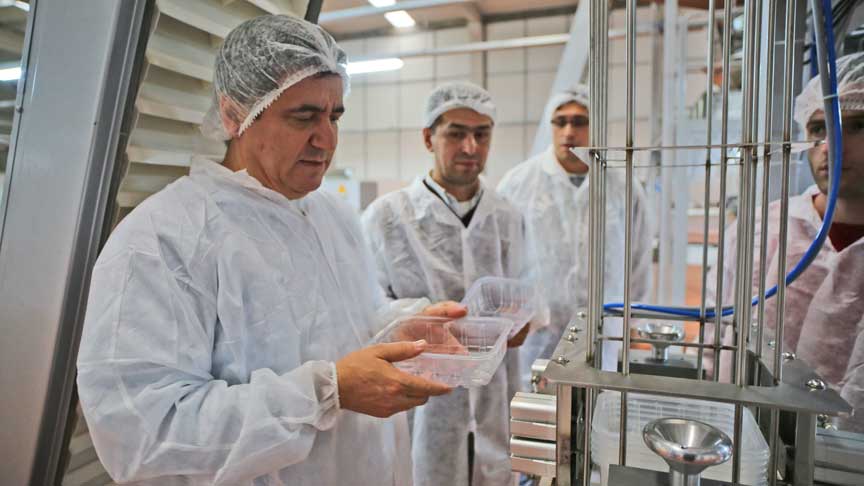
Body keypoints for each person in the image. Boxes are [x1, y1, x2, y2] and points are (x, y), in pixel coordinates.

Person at [76, 15, 464, 485]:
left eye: (334, 116)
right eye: (303, 117)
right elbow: (143, 434)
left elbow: (347, 322)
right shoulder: (164, 240)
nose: (326, 139)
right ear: (233, 114)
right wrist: (325, 392)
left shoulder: (330, 216)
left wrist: (402, 329)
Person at [362, 82, 532, 486]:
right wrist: (424, 321)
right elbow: (366, 310)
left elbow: (528, 293)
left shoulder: (508, 217)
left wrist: (523, 320)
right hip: (420, 406)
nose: (470, 147)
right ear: (428, 138)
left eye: (481, 134)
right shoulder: (387, 218)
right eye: (456, 133)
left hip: (493, 401)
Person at [707, 52, 864, 431]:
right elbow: (716, 330)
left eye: (857, 125)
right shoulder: (764, 228)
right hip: (750, 440)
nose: (831, 145)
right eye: (818, 128)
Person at [497, 84, 653, 379]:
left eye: (580, 122)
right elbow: (500, 256)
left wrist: (632, 320)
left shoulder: (623, 186)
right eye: (560, 122)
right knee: (534, 400)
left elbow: (638, 257)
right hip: (535, 333)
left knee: (596, 397)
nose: (569, 131)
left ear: (595, 127)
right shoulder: (518, 183)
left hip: (602, 330)